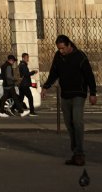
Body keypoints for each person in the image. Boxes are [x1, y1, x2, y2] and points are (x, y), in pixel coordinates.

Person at [41, 34, 98, 165]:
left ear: (69, 45)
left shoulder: (80, 56)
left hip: (79, 94)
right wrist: (46, 87)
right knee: (69, 124)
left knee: (77, 122)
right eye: (59, 49)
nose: (61, 51)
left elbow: (89, 75)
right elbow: (54, 72)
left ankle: (79, 154)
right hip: (65, 94)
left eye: (62, 48)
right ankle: (75, 151)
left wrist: (93, 93)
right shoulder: (58, 56)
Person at [16, 51, 35, 116]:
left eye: (28, 57)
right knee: (30, 98)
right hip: (24, 84)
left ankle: (15, 109)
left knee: (21, 98)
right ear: (23, 58)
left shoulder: (22, 65)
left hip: (22, 84)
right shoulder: (23, 65)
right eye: (27, 57)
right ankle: (32, 112)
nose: (28, 59)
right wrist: (33, 72)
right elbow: (26, 74)